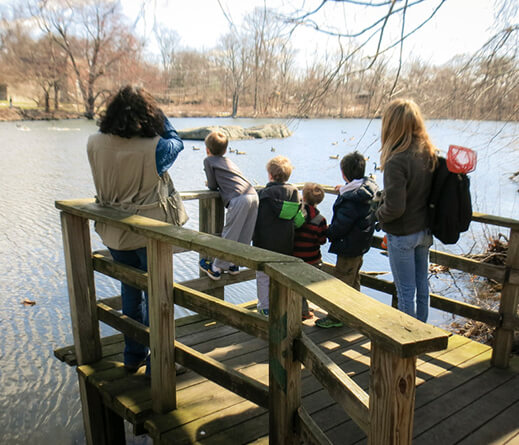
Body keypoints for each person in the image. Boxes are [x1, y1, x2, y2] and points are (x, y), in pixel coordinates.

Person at [87, 85, 187, 374]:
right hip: (150, 234)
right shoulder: (155, 147)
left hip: (115, 232)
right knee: (160, 296)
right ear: (148, 114)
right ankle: (160, 362)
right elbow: (176, 141)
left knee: (130, 292)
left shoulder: (93, 142)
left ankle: (133, 356)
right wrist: (161, 115)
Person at [376, 98, 437, 323]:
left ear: (391, 125)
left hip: (402, 234)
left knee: (405, 293)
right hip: (424, 231)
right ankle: (423, 333)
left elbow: (394, 207)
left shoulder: (396, 161)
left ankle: (407, 343)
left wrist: (378, 215)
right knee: (423, 289)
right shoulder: (428, 153)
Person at [315, 151, 378, 328]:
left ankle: (335, 317)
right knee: (354, 278)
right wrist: (343, 189)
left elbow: (342, 225)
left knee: (341, 281)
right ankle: (354, 311)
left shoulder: (351, 200)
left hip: (348, 245)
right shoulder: (365, 190)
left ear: (344, 173)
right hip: (360, 244)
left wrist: (329, 233)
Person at [199, 131, 259, 280]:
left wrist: (210, 184)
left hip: (239, 198)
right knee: (244, 233)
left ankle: (216, 268)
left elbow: (212, 185)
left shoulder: (209, 160)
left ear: (207, 149)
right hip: (253, 195)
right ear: (225, 150)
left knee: (230, 233)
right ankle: (234, 264)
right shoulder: (229, 161)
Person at [253, 156, 304, 316]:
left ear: (270, 175)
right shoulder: (295, 194)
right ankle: (283, 304)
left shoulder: (263, 195)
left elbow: (255, 219)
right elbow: (299, 220)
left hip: (264, 244)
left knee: (263, 276)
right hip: (285, 244)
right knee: (282, 276)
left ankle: (264, 307)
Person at [293, 182, 328, 320]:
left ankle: (302, 310)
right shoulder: (320, 219)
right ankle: (304, 310)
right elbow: (322, 240)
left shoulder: (296, 214)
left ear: (303, 197)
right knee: (307, 285)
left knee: (297, 285)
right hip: (313, 258)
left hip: (295, 257)